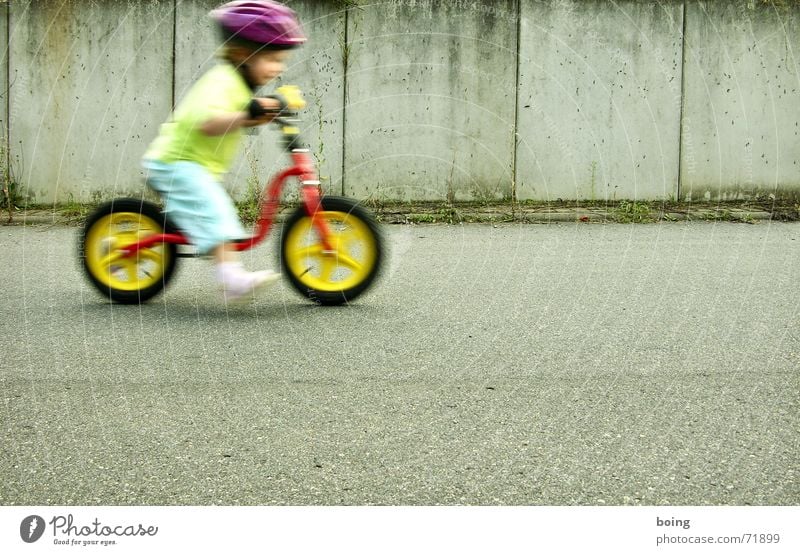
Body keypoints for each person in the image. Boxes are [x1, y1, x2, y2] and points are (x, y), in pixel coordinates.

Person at [142, 1, 306, 302]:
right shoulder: (221, 82)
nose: (278, 68)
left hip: (193, 165)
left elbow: (243, 113)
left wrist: (263, 110)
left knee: (211, 207)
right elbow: (208, 123)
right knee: (215, 207)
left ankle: (204, 236)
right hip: (176, 163)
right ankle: (232, 279)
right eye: (272, 58)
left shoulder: (241, 86)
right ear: (243, 55)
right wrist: (250, 113)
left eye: (281, 60)